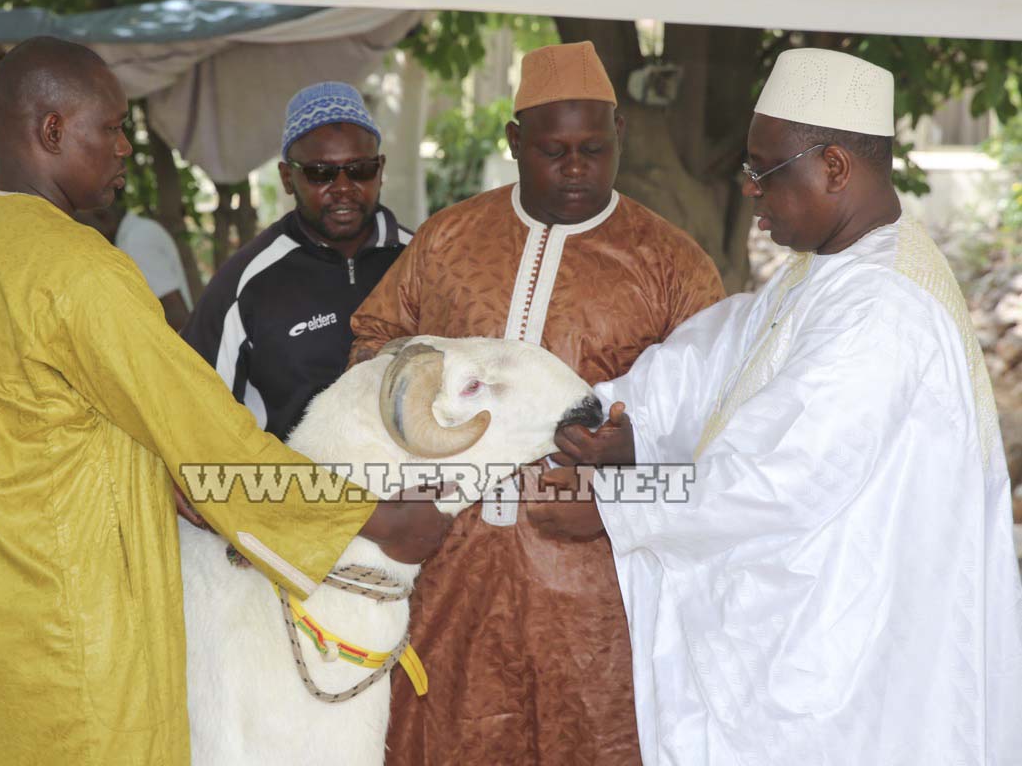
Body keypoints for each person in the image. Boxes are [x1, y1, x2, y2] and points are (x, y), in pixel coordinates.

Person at [0, 37, 450, 765]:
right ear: (52, 130)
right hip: (68, 623)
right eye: (113, 126)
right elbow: (209, 440)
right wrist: (371, 518)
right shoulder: (78, 271)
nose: (127, 147)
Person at [531, 48, 1022, 765]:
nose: (749, 191)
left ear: (832, 167)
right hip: (820, 638)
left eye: (762, 171)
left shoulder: (883, 309)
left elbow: (775, 479)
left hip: (851, 665)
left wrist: (612, 503)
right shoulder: (831, 271)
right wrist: (610, 414)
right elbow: (718, 359)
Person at [350, 41, 726, 765]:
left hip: (595, 578)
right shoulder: (449, 240)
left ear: (619, 136)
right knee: (441, 732)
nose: (577, 167)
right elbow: (376, 340)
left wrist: (625, 483)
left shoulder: (670, 263)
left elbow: (710, 420)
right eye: (554, 150)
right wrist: (422, 426)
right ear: (515, 142)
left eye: (594, 147)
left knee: (591, 739)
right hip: (449, 558)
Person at [182, 81, 409, 440]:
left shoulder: (422, 261)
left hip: (411, 491)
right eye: (321, 173)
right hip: (294, 491)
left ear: (380, 169)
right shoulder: (247, 283)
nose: (343, 187)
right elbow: (192, 409)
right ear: (288, 178)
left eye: (360, 169)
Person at [80, 198, 194, 331]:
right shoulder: (138, 231)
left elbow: (176, 315)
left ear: (103, 218)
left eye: (85, 229)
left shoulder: (135, 241)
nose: (84, 239)